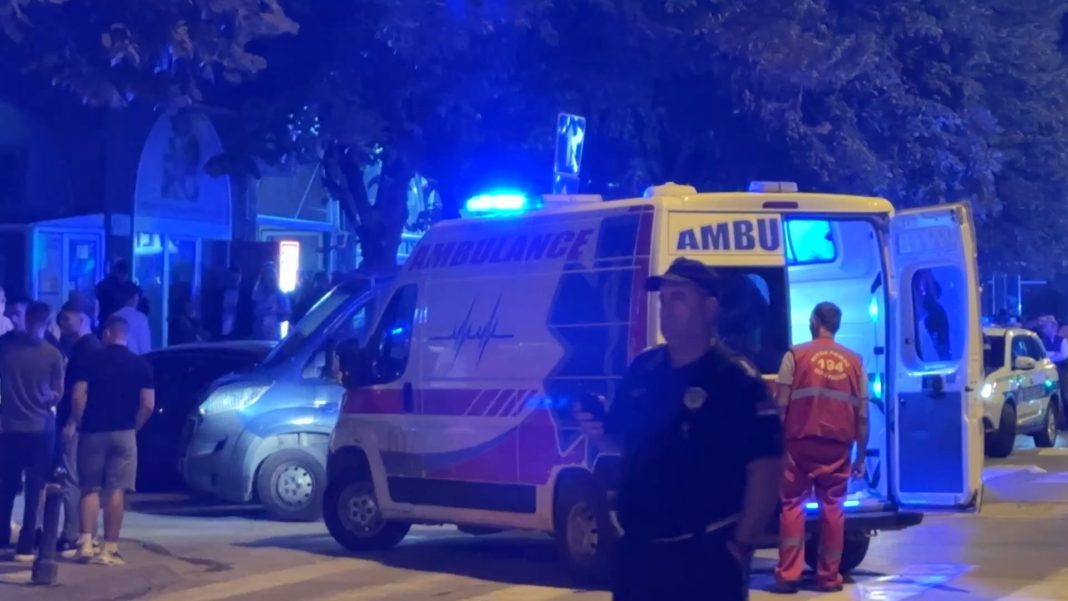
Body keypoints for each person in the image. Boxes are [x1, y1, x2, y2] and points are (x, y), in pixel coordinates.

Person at [579, 258, 783, 601]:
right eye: (663, 299)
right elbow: (622, 443)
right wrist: (597, 429)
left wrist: (742, 543)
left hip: (704, 556)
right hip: (640, 555)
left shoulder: (734, 379)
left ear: (709, 308)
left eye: (679, 298)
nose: (667, 308)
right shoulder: (645, 369)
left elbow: (766, 466)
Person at [773, 302, 869, 594]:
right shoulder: (855, 362)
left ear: (815, 321)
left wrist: (776, 444)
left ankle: (788, 575)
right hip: (838, 449)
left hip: (799, 445)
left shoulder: (795, 355)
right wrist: (861, 455)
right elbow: (862, 415)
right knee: (833, 509)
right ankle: (828, 577)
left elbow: (781, 405)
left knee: (792, 505)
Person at [65, 315, 155, 565]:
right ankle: (110, 548)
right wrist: (134, 427)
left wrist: (76, 421)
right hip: (124, 433)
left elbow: (78, 397)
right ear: (125, 335)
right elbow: (148, 404)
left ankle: (86, 543)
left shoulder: (90, 360)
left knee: (89, 488)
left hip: (93, 432)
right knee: (116, 489)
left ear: (106, 333)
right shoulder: (141, 365)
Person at [0, 301, 65, 561]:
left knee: (6, 486)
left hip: (9, 427)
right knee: (34, 488)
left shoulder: (6, 349)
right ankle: (26, 543)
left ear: (27, 319)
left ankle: (1, 537)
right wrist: (47, 398)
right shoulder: (53, 354)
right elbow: (58, 393)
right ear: (48, 322)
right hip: (40, 428)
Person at [55, 304, 102, 556]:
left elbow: (79, 393)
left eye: (66, 318)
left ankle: (72, 534)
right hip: (93, 424)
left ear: (82, 318)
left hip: (79, 424)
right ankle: (88, 534)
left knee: (72, 479)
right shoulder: (95, 347)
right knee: (88, 481)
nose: (61, 322)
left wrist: (72, 421)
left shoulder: (83, 350)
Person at [252, 262, 291, 340]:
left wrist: (276, 311)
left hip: (274, 331)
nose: (268, 278)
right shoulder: (257, 293)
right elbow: (254, 311)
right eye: (266, 275)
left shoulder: (280, 294)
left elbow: (287, 312)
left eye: (270, 275)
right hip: (258, 330)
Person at [113, 282, 151, 354]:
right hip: (135, 358)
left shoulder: (114, 316)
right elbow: (145, 347)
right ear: (135, 297)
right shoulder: (141, 318)